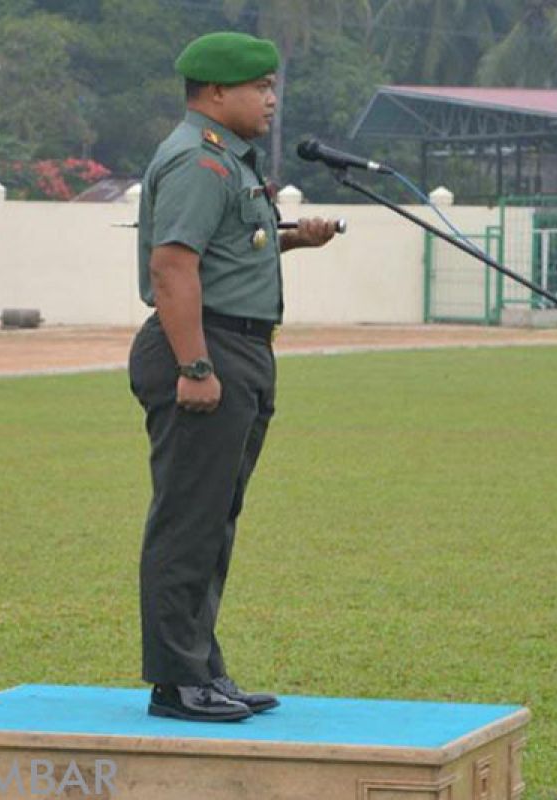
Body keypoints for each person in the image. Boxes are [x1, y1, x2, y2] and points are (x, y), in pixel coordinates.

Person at [128, 31, 340, 723]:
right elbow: (173, 267)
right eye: (261, 87)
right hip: (205, 345)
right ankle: (176, 681)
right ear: (217, 93)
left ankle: (201, 670)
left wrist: (292, 239)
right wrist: (194, 366)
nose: (272, 99)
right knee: (189, 520)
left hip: (236, 345)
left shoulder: (226, 162)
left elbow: (223, 247)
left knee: (214, 518)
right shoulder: (198, 161)